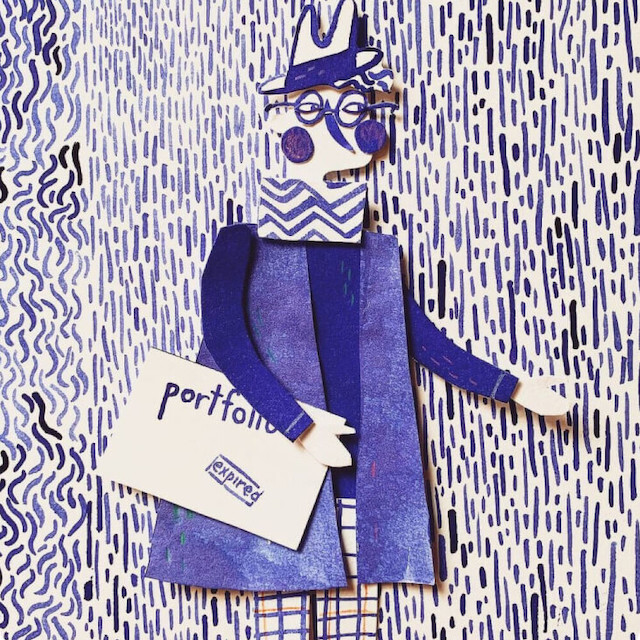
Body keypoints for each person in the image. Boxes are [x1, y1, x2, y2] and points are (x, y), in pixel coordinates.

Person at [145, 3, 571, 638]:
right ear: (281, 117)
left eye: (351, 110)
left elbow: (418, 337)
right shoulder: (243, 244)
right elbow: (227, 342)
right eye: (313, 109)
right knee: (280, 611)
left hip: (363, 465)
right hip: (270, 459)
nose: (336, 128)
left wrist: (511, 387)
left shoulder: (372, 252)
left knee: (355, 619)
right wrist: (294, 423)